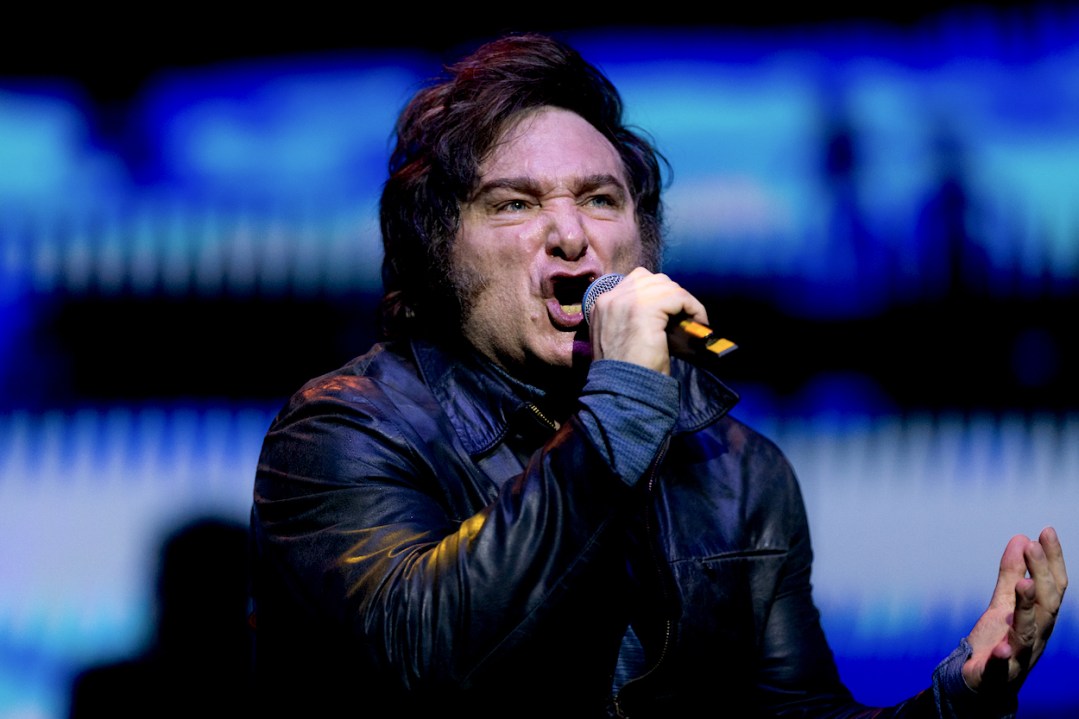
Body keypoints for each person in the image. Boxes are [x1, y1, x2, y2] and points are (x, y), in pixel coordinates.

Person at [249, 32, 1067, 718]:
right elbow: (425, 662)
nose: (570, 235)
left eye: (600, 200)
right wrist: (620, 412)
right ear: (437, 254)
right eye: (514, 204)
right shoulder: (344, 432)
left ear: (644, 244)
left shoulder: (737, 470)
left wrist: (955, 700)